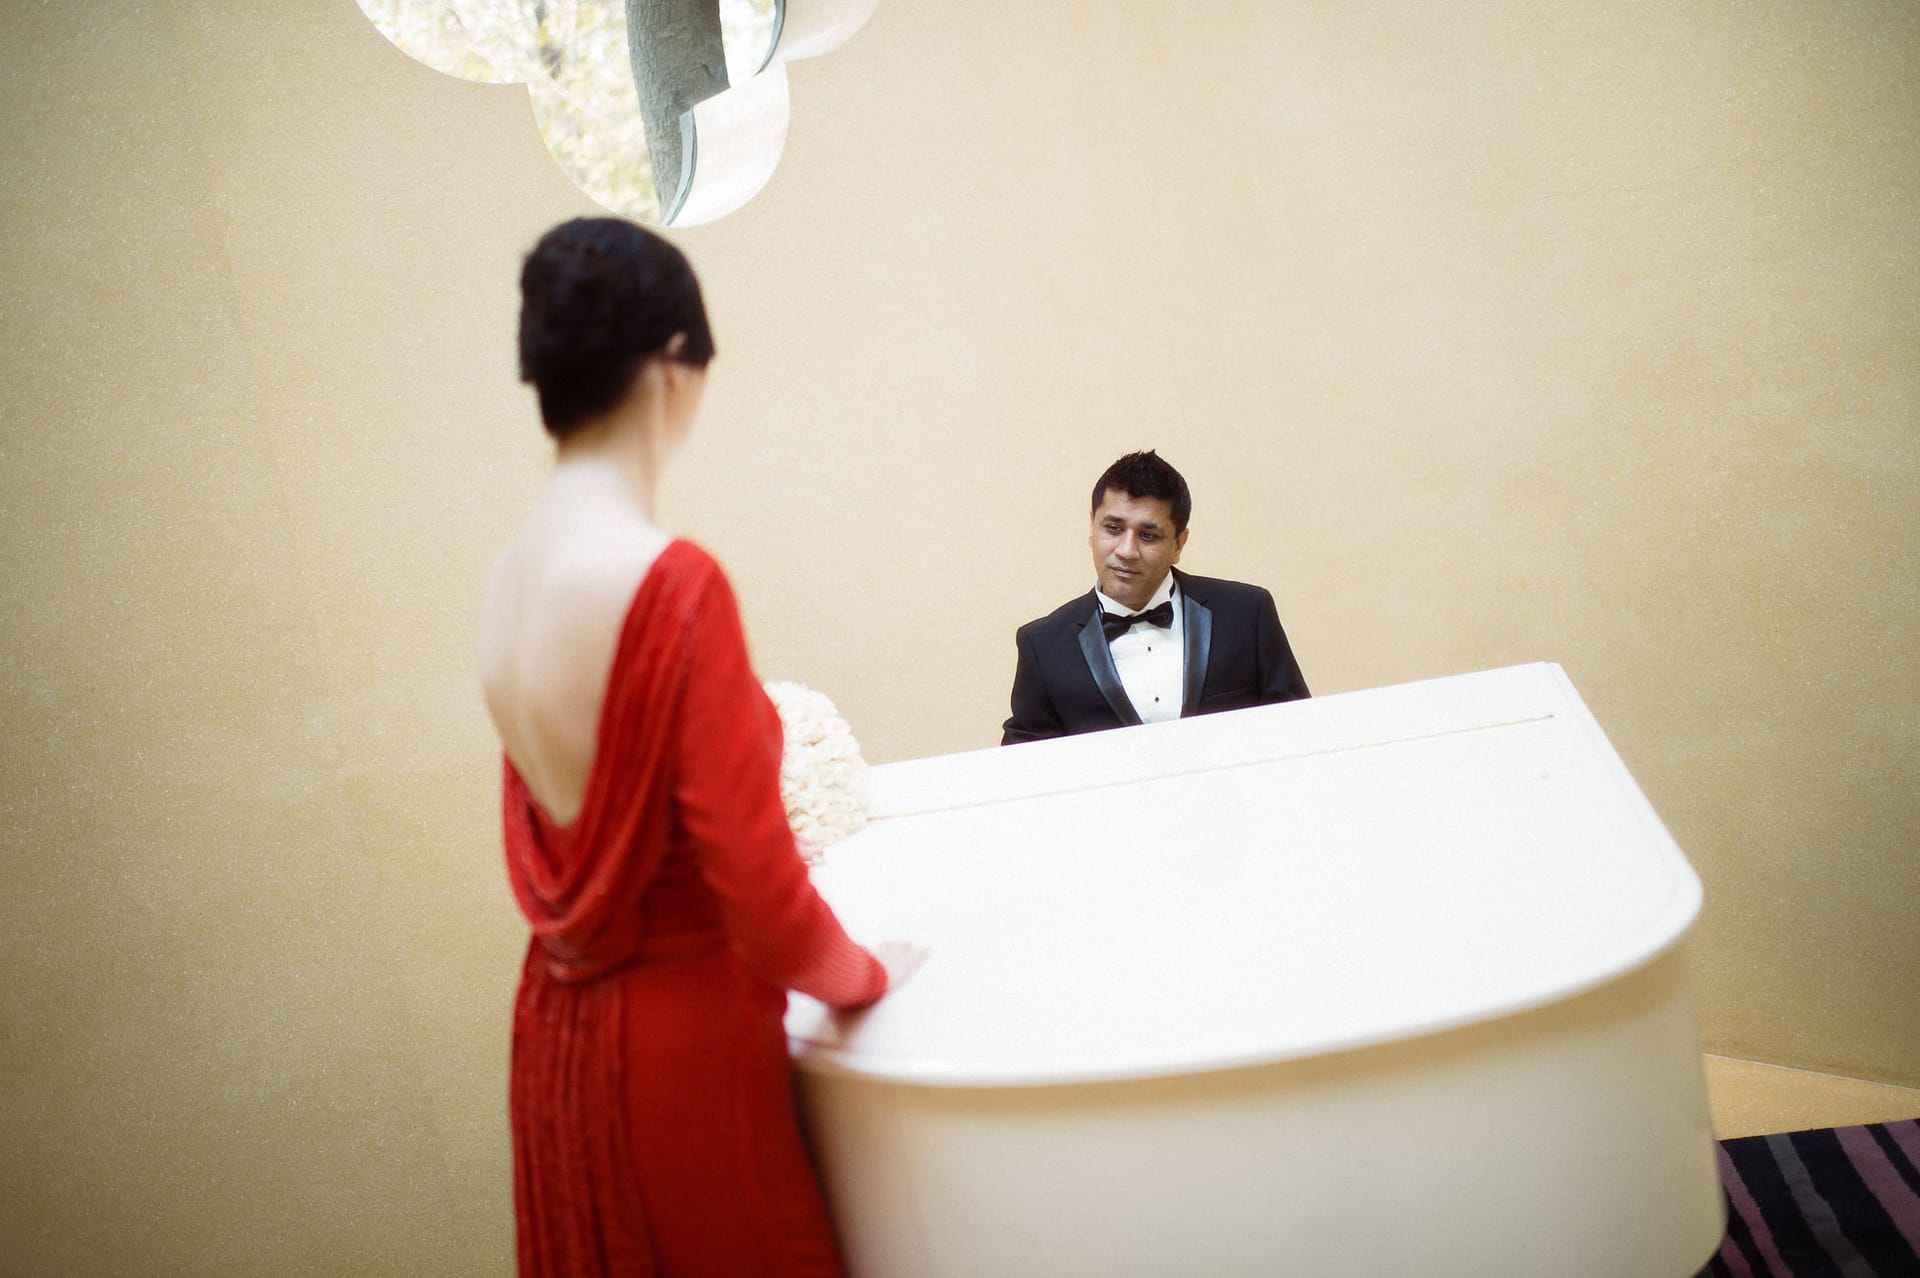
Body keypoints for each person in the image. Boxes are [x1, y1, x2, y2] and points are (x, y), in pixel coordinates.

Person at [478, 216, 923, 1277]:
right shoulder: (672, 582)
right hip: (684, 1058)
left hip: (558, 1046)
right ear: (673, 366)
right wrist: (863, 973)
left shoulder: (509, 577)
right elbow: (761, 895)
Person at [1002, 450, 1309, 745]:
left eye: (1148, 535)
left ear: (1179, 543)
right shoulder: (1042, 646)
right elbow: (1024, 770)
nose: (1126, 550)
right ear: (1092, 527)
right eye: (1113, 528)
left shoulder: (1247, 614)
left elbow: (1300, 731)